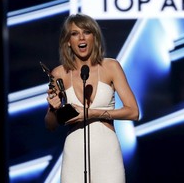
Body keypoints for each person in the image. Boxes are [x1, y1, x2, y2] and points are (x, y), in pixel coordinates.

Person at [45, 13, 139, 183]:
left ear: (94, 37)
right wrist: (53, 108)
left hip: (107, 153)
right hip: (75, 154)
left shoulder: (111, 67)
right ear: (68, 41)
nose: (81, 37)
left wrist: (91, 113)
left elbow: (133, 112)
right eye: (74, 33)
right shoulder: (59, 73)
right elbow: (50, 125)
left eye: (86, 32)